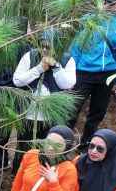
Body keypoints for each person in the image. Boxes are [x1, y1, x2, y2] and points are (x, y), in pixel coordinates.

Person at [68, 0, 116, 144]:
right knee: (72, 110)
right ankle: (64, 142)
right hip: (83, 72)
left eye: (112, 3)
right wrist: (71, 72)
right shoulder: (88, 20)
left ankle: (86, 144)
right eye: (105, 2)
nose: (107, 6)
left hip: (107, 75)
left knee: (97, 112)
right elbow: (76, 48)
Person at [10, 38, 76, 169]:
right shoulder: (30, 55)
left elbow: (68, 84)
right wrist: (39, 68)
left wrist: (56, 67)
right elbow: (17, 80)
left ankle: (44, 174)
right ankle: (19, 173)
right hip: (29, 112)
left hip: (52, 115)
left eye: (49, 47)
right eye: (43, 47)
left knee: (49, 148)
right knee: (24, 145)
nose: (45, 50)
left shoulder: (67, 59)